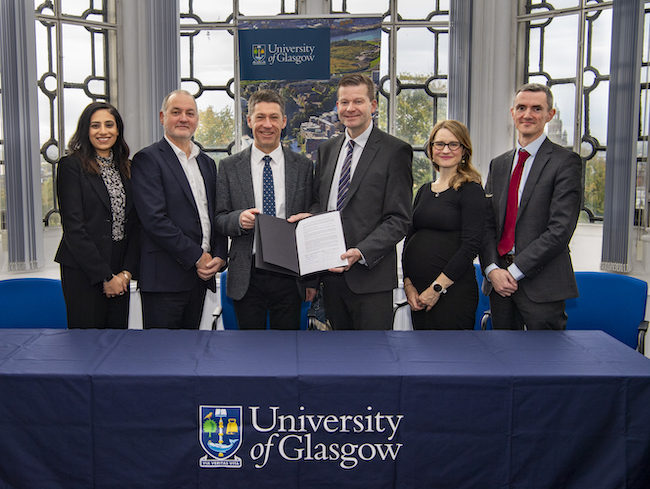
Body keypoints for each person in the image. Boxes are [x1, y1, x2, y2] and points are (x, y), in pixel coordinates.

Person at [309, 74, 413, 330]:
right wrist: (308, 221)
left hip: (371, 280)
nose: (350, 108)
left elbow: (399, 219)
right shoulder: (327, 150)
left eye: (358, 101)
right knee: (339, 360)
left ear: (373, 105)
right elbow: (318, 203)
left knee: (373, 361)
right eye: (344, 102)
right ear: (337, 107)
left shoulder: (395, 151)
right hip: (331, 279)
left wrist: (361, 252)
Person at [480, 83, 582, 330]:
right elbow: (485, 224)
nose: (528, 114)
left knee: (544, 364)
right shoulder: (500, 164)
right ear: (512, 112)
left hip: (542, 283)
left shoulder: (566, 162)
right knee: (502, 362)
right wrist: (493, 269)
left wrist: (514, 271)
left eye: (537, 108)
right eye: (522, 108)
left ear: (550, 115)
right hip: (499, 285)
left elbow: (560, 230)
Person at [216, 89, 315, 329]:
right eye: (260, 117)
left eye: (273, 117)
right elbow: (219, 218)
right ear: (249, 121)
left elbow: (311, 216)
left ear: (284, 121)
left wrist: (312, 278)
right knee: (251, 354)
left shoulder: (303, 166)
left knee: (289, 351)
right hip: (246, 274)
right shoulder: (229, 166)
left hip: (290, 274)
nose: (266, 124)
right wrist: (239, 220)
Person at [131, 89, 227, 329]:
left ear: (196, 120)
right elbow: (154, 220)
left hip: (199, 278)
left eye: (190, 113)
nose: (183, 118)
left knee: (191, 354)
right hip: (164, 279)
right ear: (163, 117)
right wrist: (197, 256)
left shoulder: (206, 163)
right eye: (176, 112)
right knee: (163, 357)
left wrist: (218, 256)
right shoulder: (147, 159)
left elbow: (214, 215)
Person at [55, 102, 140, 328]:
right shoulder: (71, 166)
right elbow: (74, 227)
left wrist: (125, 273)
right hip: (84, 270)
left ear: (118, 130)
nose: (103, 131)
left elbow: (135, 224)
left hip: (119, 270)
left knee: (116, 343)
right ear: (85, 130)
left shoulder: (128, 168)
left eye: (109, 125)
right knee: (88, 346)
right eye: (95, 126)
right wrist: (105, 277)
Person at [402, 120, 486, 330]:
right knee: (423, 359)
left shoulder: (471, 191)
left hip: (452, 294)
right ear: (431, 150)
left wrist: (436, 289)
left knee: (450, 359)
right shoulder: (423, 190)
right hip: (418, 294)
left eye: (453, 144)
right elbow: (409, 238)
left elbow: (470, 247)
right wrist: (408, 285)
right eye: (439, 144)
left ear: (464, 150)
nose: (445, 150)